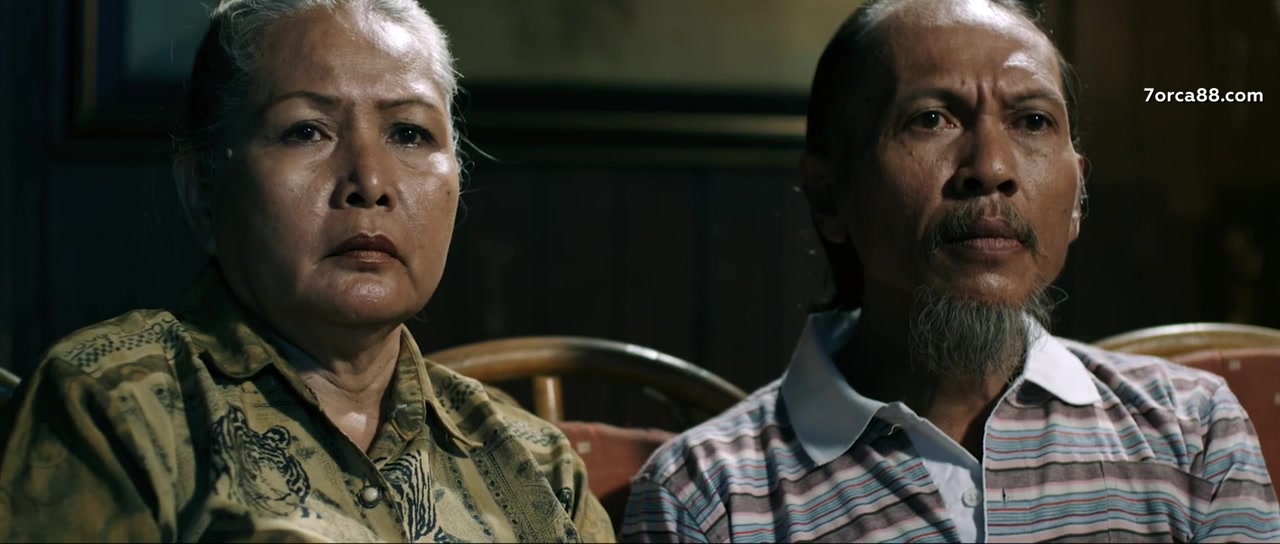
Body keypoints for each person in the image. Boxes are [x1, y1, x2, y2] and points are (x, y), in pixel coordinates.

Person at [621, 0, 1280, 541]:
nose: (990, 167)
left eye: (1032, 121)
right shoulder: (707, 497)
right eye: (930, 119)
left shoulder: (1193, 433)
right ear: (830, 197)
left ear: (1078, 196)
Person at [0, 0, 613, 541]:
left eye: (408, 133)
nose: (369, 181)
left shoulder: (536, 462)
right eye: (307, 131)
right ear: (203, 189)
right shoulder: (113, 403)